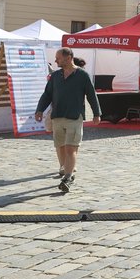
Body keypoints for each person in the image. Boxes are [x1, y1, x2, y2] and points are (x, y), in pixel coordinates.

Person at [35, 48, 101, 193]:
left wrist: (97, 113)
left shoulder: (82, 75)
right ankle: (64, 168)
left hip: (74, 116)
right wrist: (39, 110)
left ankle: (68, 177)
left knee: (71, 148)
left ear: (68, 57)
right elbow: (47, 94)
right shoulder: (55, 76)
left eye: (58, 58)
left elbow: (91, 94)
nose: (56, 60)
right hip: (57, 116)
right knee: (60, 146)